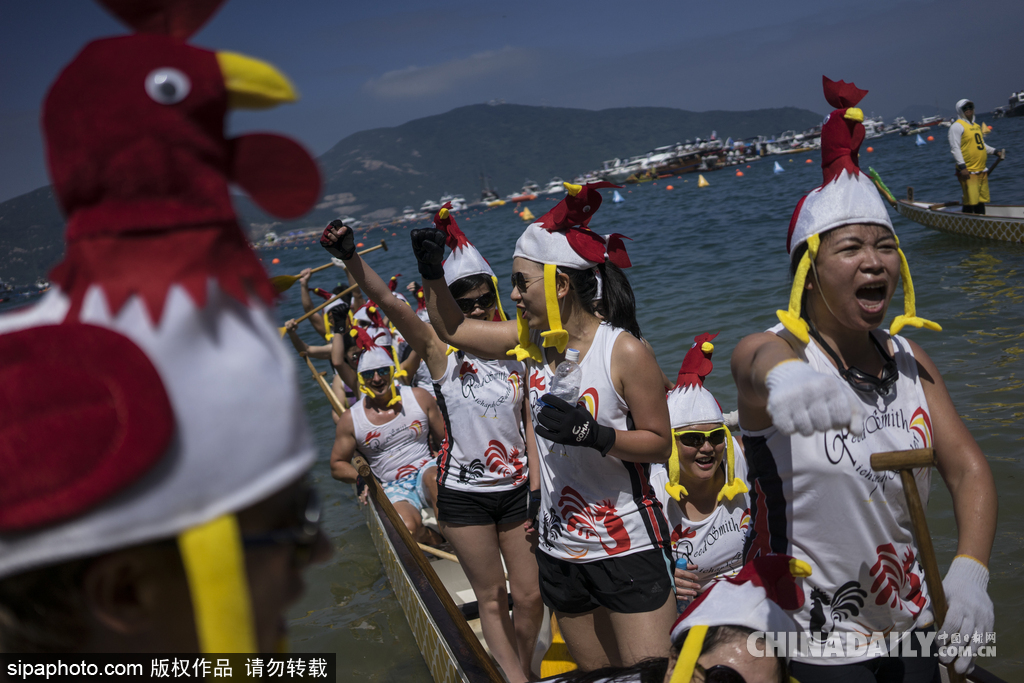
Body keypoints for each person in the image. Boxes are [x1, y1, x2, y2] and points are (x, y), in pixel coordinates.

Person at [731, 77, 997, 680]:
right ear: (808, 270)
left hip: (914, 612)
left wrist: (972, 570)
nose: (874, 261)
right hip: (814, 629)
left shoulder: (909, 358)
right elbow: (750, 360)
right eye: (850, 248)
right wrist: (784, 380)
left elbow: (968, 468)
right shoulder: (782, 353)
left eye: (885, 246)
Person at [412, 182, 675, 670]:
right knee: (599, 679)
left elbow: (661, 444)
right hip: (558, 549)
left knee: (650, 677)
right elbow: (452, 329)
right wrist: (431, 275)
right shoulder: (529, 344)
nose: (512, 294)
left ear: (559, 285)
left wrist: (594, 435)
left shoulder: (623, 350)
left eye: (521, 282)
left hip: (625, 543)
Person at [322, 206, 543, 683]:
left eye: (485, 298)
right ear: (449, 304)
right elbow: (390, 303)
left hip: (518, 491)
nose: (478, 309)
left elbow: (530, 424)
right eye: (465, 301)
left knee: (529, 596)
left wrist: (538, 488)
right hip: (465, 496)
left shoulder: (520, 348)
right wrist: (351, 258)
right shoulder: (439, 351)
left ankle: (522, 668)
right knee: (492, 598)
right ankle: (515, 679)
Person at [649, 334, 750, 611]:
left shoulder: (740, 458)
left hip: (753, 592)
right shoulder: (654, 493)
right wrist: (665, 576)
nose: (707, 448)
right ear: (671, 444)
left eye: (716, 437)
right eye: (692, 439)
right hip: (697, 607)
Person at [328, 327, 445, 543]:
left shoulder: (419, 397)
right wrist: (360, 478)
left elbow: (445, 440)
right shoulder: (351, 419)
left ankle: (457, 538)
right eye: (368, 374)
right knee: (408, 530)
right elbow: (336, 464)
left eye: (382, 371)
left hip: (426, 469)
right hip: (391, 486)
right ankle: (437, 539)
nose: (376, 379)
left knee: (435, 481)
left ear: (392, 371)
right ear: (360, 378)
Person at [948, 99, 1003, 215]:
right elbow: (955, 148)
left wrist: (995, 152)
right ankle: (965, 222)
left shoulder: (977, 126)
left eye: (970, 107)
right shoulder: (957, 127)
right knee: (971, 200)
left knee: (981, 200)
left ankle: (981, 220)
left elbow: (981, 145)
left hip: (981, 169)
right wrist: (962, 167)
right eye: (965, 108)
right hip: (968, 170)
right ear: (960, 110)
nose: (968, 110)